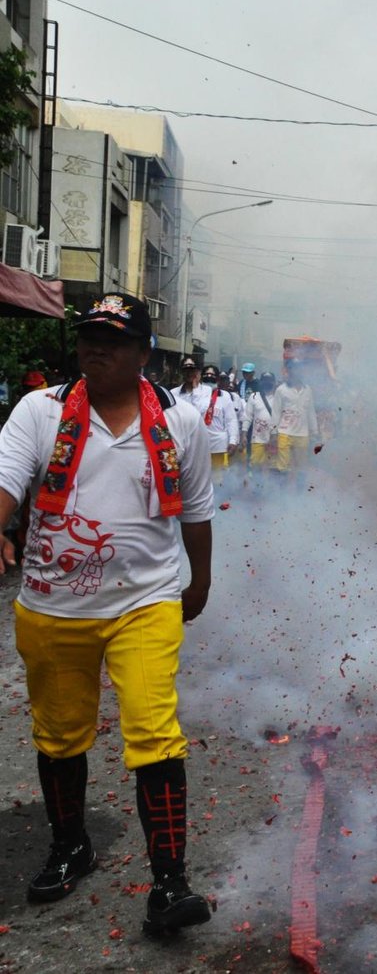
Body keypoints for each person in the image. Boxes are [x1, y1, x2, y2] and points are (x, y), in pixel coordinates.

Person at [0, 293, 213, 934]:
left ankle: (170, 884)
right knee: (60, 736)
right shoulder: (40, 410)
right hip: (52, 606)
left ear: (144, 353)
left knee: (154, 733)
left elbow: (198, 509)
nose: (98, 348)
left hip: (143, 602)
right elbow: (7, 483)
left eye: (115, 340)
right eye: (90, 336)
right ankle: (70, 847)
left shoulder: (180, 422)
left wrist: (198, 582)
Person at [176, 361, 235, 492]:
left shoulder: (225, 396)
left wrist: (233, 440)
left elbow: (231, 420)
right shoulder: (193, 394)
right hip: (195, 445)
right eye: (206, 375)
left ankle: (218, 504)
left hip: (217, 445)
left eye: (212, 375)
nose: (209, 377)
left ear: (218, 378)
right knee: (196, 478)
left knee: (217, 479)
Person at [273, 360, 317, 490]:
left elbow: (311, 411)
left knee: (302, 465)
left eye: (299, 369)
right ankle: (281, 492)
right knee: (283, 466)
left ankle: (300, 492)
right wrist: (274, 432)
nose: (296, 372)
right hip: (284, 433)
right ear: (289, 372)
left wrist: (314, 431)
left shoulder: (308, 390)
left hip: (302, 434)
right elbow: (276, 412)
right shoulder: (281, 390)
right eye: (292, 369)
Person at [242, 372, 277, 491]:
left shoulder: (279, 397)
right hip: (257, 439)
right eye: (265, 380)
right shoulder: (254, 397)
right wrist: (244, 434)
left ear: (274, 383)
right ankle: (258, 490)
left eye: (270, 381)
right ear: (261, 382)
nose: (267, 383)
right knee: (256, 466)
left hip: (274, 439)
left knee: (272, 467)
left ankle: (272, 491)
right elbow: (247, 417)